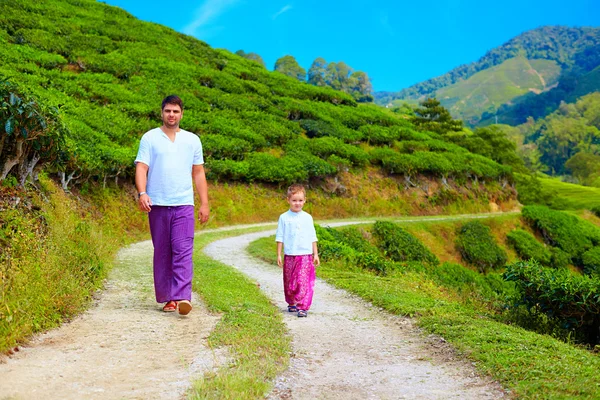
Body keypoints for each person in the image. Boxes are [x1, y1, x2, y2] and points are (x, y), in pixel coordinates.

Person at [134, 95, 209, 315]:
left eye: (175, 111)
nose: (171, 115)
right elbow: (141, 167)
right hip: (157, 204)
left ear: (181, 114)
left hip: (184, 204)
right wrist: (142, 193)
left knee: (183, 250)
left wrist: (204, 203)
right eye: (168, 111)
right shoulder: (149, 138)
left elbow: (198, 172)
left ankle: (182, 297)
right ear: (162, 112)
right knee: (163, 252)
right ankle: (168, 298)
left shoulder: (192, 140)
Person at [275, 184, 320, 318]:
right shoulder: (284, 217)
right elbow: (280, 236)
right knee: (290, 282)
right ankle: (292, 302)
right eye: (294, 200)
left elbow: (313, 236)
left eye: (300, 200)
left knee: (302, 280)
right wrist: (278, 254)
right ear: (288, 200)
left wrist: (315, 254)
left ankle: (303, 306)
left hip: (305, 254)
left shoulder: (308, 217)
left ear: (305, 200)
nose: (297, 203)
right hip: (290, 254)